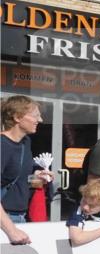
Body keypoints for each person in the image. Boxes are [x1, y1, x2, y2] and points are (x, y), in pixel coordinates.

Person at [1, 95, 54, 223]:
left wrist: (38, 178)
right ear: (17, 117)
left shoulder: (25, 142)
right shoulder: (2, 145)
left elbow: (21, 181)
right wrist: (12, 230)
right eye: (35, 115)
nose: (40, 120)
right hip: (5, 219)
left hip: (21, 216)